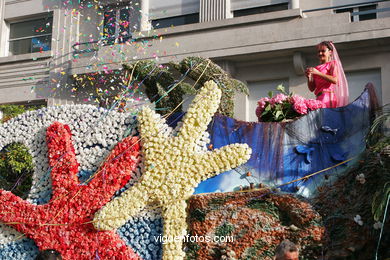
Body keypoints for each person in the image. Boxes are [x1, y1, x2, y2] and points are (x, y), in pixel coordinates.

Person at [306, 41, 349, 108]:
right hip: (318, 98)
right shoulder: (316, 68)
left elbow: (335, 80)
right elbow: (312, 88)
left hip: (328, 97)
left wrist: (318, 73)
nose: (320, 53)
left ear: (330, 52)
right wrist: (309, 78)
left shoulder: (332, 64)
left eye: (323, 51)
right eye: (319, 51)